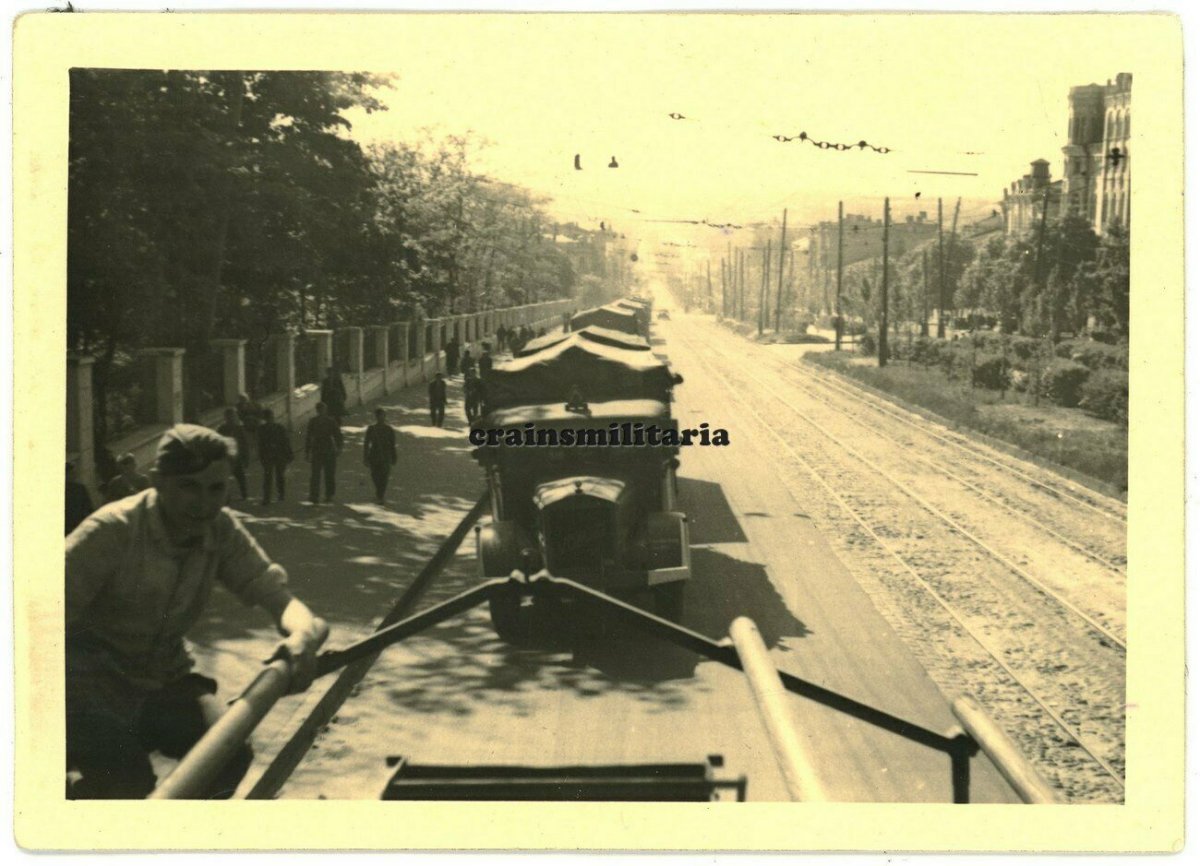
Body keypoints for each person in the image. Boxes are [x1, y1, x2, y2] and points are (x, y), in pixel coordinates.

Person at [65, 424, 327, 799]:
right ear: (158, 482)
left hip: (162, 679)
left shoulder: (219, 529)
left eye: (215, 488)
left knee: (226, 755)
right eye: (189, 486)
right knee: (126, 782)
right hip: (89, 687)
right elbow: (35, 617)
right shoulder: (112, 531)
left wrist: (301, 635)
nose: (204, 503)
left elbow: (279, 598)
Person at [304, 402, 343, 504]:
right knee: (317, 474)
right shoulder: (316, 421)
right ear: (318, 410)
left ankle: (327, 495)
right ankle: (316, 495)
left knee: (327, 474)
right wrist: (307, 452)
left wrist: (339, 448)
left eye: (323, 410)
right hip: (321, 450)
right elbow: (309, 437)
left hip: (325, 450)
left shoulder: (328, 421)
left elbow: (338, 435)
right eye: (321, 410)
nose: (322, 412)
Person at [257, 408, 293, 505]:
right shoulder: (262, 429)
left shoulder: (280, 428)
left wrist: (289, 454)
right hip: (268, 456)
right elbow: (260, 444)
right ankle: (267, 498)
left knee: (279, 476)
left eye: (271, 417)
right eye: (268, 418)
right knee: (268, 477)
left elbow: (286, 441)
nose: (270, 419)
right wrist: (261, 456)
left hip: (279, 455)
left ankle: (281, 494)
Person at [363, 408, 398, 505]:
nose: (381, 418)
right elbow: (366, 444)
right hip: (374, 455)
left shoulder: (389, 429)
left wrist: (394, 456)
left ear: (384, 417)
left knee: (385, 476)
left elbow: (392, 444)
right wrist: (365, 457)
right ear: (376, 417)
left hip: (386, 455)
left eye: (382, 416)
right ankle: (379, 491)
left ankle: (380, 495)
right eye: (379, 416)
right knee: (375, 475)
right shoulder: (371, 429)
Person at [216, 408, 250, 501]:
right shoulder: (222, 429)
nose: (231, 418)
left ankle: (244, 494)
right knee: (226, 478)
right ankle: (227, 496)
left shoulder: (239, 429)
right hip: (227, 457)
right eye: (229, 417)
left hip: (237, 457)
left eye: (232, 416)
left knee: (240, 477)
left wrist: (246, 458)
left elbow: (244, 444)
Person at [65, 461, 95, 536]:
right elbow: (88, 508)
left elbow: (88, 507)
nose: (74, 475)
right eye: (72, 473)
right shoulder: (80, 489)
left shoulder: (80, 488)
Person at [235, 394, 264, 463]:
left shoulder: (255, 405)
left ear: (248, 399)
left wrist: (255, 419)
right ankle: (252, 455)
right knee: (249, 441)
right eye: (241, 399)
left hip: (256, 425)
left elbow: (260, 414)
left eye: (244, 399)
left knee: (257, 440)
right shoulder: (238, 406)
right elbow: (239, 416)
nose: (243, 401)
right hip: (247, 426)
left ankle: (259, 454)